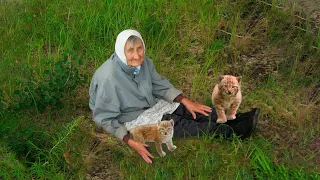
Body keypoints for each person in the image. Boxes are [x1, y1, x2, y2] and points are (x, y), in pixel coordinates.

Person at [89, 29, 260, 164]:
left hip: (154, 104)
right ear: (120, 52)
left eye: (139, 48)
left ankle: (234, 119)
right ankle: (234, 132)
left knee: (197, 112)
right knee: (192, 128)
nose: (137, 55)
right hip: (135, 116)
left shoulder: (144, 63)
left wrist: (185, 101)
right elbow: (104, 117)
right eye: (130, 51)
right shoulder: (109, 79)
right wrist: (131, 142)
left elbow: (158, 84)